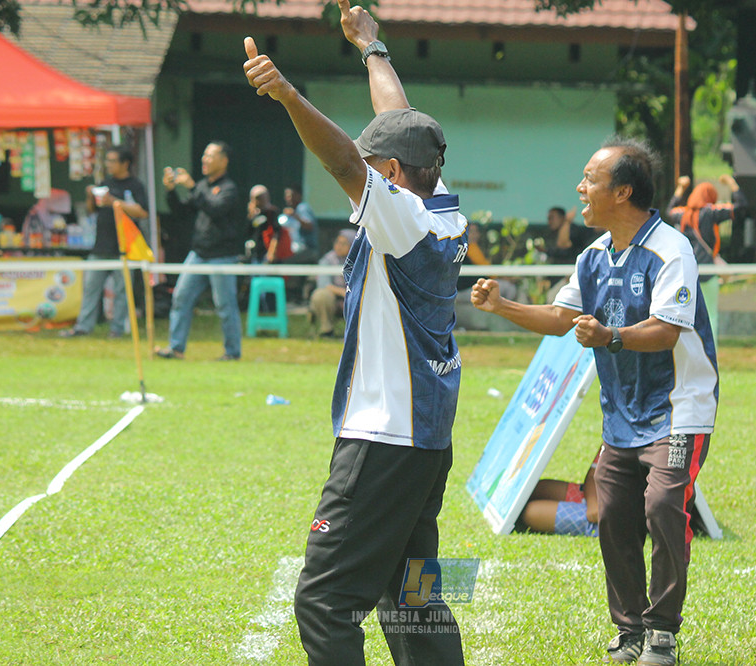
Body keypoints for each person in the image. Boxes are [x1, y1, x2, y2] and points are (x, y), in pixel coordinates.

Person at [244, 1, 467, 664]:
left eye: (375, 168)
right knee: (414, 595)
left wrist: (287, 95)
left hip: (383, 440)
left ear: (392, 176)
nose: (361, 180)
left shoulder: (403, 220)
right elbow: (397, 118)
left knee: (322, 599)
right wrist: (373, 47)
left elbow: (345, 158)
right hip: (425, 441)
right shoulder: (440, 205)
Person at [471, 138, 718, 666]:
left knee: (664, 506)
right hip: (622, 418)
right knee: (610, 514)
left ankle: (662, 633)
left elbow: (665, 333)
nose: (580, 189)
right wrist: (502, 306)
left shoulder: (670, 250)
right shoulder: (592, 257)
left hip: (679, 411)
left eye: (590, 178)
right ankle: (630, 632)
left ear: (623, 191)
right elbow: (561, 319)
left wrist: (610, 336)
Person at [155, 141, 247, 361]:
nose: (204, 159)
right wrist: (170, 191)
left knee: (225, 306)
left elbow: (215, 209)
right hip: (198, 254)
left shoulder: (229, 189)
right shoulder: (203, 186)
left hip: (222, 257)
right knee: (180, 298)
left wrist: (192, 187)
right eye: (204, 155)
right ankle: (176, 348)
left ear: (223, 161)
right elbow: (181, 212)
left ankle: (232, 353)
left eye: (211, 155)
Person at [61, 145, 148, 338]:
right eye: (106, 160)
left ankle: (116, 329)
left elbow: (142, 212)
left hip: (125, 247)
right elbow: (93, 211)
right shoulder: (105, 183)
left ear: (125, 163)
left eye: (112, 161)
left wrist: (114, 202)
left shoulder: (135, 185)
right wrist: (90, 197)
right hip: (101, 245)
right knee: (91, 288)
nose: (108, 164)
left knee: (122, 291)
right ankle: (83, 327)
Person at [665, 174, 747, 342]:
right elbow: (741, 206)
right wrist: (732, 184)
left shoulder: (682, 214)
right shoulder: (710, 212)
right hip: (708, 273)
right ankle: (711, 354)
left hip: (686, 274)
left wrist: (680, 188)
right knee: (710, 316)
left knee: (685, 317)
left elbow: (668, 211)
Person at [517, 448, 600, 537]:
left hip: (608, 517)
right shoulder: (612, 438)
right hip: (600, 495)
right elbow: (593, 475)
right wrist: (592, 503)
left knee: (531, 512)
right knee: (538, 488)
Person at [308, 229, 355, 338]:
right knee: (321, 295)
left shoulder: (360, 260)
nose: (339, 246)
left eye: (343, 244)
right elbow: (324, 284)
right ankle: (326, 330)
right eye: (337, 242)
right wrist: (345, 293)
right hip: (336, 298)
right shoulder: (327, 260)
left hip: (355, 296)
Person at [281, 184, 318, 260]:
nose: (288, 198)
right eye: (286, 196)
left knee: (285, 264)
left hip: (307, 251)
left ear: (298, 195)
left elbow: (309, 226)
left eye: (290, 196)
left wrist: (295, 216)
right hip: (294, 250)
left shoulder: (302, 208)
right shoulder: (290, 213)